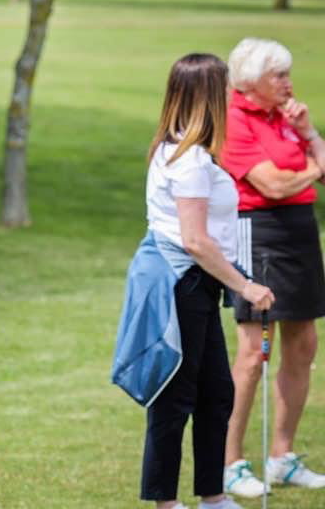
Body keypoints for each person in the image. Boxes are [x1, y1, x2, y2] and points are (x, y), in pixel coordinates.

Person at [136, 53, 275, 509]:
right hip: (184, 286)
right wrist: (247, 286)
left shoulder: (179, 150)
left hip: (198, 287)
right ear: (209, 96)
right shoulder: (190, 160)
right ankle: (166, 502)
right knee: (174, 399)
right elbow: (195, 240)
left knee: (217, 394)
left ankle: (213, 496)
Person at [221, 37, 325, 497]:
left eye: (286, 73)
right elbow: (272, 185)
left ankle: (282, 457)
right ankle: (230, 463)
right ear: (251, 83)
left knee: (303, 343)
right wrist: (312, 170)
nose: (287, 82)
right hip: (258, 233)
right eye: (278, 75)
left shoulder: (287, 117)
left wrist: (309, 136)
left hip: (301, 231)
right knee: (251, 355)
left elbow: (308, 170)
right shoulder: (234, 119)